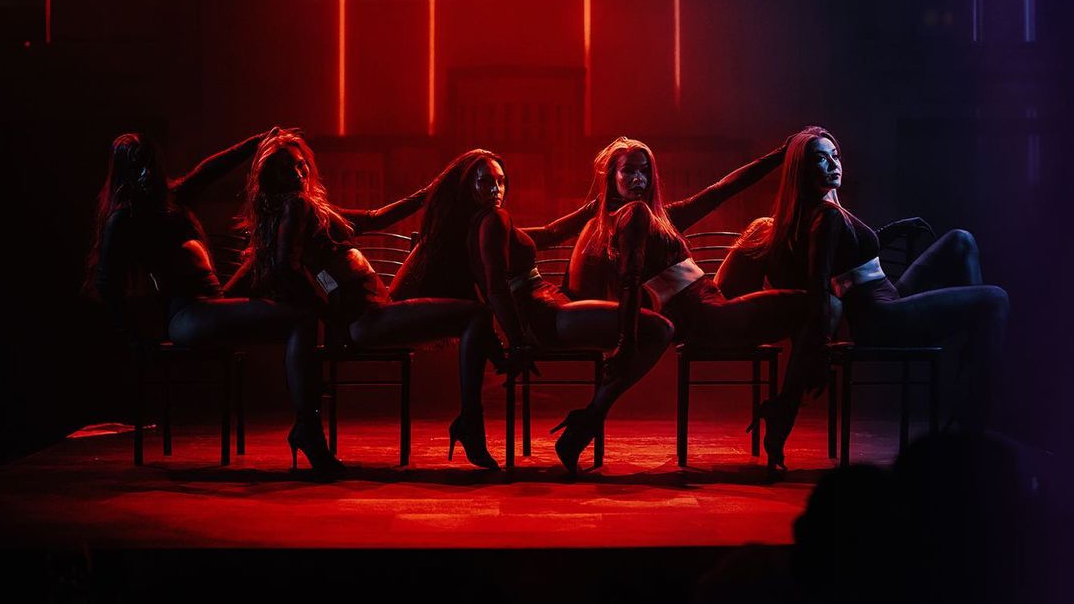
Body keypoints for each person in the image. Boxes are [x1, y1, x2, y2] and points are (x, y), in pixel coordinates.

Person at [735, 126, 1009, 469]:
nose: (833, 164)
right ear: (803, 171)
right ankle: (972, 417)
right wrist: (818, 352)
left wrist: (893, 230)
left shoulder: (829, 210)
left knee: (960, 240)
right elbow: (818, 284)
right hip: (881, 317)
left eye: (835, 155)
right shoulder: (826, 217)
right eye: (821, 159)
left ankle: (972, 363)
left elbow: (851, 252)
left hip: (888, 296)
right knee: (995, 299)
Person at [237, 130, 504, 471]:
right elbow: (286, 268)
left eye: (301, 165)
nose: (298, 173)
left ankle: (472, 412)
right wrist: (330, 315)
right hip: (368, 318)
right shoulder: (296, 206)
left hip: (379, 311)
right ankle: (470, 420)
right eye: (286, 168)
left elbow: (375, 217)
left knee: (469, 306)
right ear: (271, 177)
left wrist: (427, 193)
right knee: (475, 315)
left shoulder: (310, 208)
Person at [400, 149, 676, 475]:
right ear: (467, 186)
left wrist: (593, 208)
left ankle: (583, 422)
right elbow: (496, 288)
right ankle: (588, 420)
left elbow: (549, 233)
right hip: (546, 315)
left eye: (501, 181)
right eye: (486, 181)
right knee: (659, 329)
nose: (496, 189)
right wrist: (517, 342)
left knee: (650, 323)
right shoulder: (494, 220)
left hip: (550, 308)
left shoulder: (476, 226)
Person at [87, 129, 324, 471]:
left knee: (299, 313)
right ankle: (308, 428)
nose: (147, 172)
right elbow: (106, 284)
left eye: (150, 162)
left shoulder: (173, 197)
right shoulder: (124, 219)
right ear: (124, 171)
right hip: (189, 315)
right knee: (300, 318)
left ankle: (308, 424)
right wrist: (135, 338)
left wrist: (256, 141)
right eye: (137, 165)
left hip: (211, 306)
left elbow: (210, 170)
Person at [566, 137, 809, 471]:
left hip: (710, 299)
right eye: (628, 171)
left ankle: (792, 392)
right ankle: (785, 409)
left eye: (644, 171)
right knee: (811, 306)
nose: (638, 179)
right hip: (706, 317)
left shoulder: (659, 216)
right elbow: (629, 280)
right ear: (611, 177)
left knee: (762, 228)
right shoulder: (632, 215)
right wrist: (626, 341)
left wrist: (781, 154)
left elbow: (722, 189)